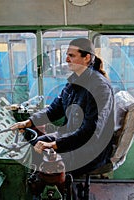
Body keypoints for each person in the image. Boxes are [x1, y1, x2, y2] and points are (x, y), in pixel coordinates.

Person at [10, 38, 115, 176]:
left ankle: (52, 190)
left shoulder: (100, 87)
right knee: (33, 145)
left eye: (71, 55)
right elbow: (54, 110)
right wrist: (28, 122)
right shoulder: (74, 81)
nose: (66, 59)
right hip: (70, 137)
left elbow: (90, 132)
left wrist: (54, 145)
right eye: (67, 55)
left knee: (48, 161)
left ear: (87, 58)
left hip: (91, 149)